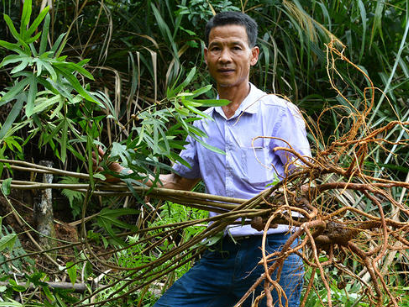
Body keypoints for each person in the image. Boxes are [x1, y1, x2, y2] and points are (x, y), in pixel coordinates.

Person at [98, 11, 311, 307]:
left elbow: (304, 183)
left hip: (272, 251)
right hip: (222, 252)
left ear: (253, 55)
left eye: (235, 47)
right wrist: (125, 175)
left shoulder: (277, 112)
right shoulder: (202, 121)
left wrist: (273, 209)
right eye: (216, 48)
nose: (225, 57)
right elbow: (177, 183)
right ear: (206, 56)